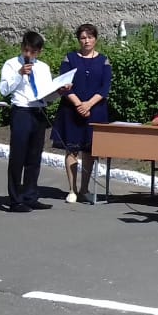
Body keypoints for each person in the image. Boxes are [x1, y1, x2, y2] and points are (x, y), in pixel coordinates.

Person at [50, 23, 112, 204]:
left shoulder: (104, 60)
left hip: (95, 110)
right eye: (83, 38)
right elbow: (63, 84)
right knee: (72, 149)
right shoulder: (69, 59)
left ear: (95, 39)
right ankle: (72, 189)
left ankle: (85, 188)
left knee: (90, 150)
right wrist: (78, 104)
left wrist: (89, 104)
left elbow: (105, 87)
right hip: (71, 110)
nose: (86, 41)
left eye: (90, 37)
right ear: (78, 40)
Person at [0, 31, 53, 213]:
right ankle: (15, 200)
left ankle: (30, 196)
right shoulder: (11, 64)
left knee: (34, 156)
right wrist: (19, 74)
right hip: (21, 111)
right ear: (22, 47)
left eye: (33, 52)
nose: (29, 55)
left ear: (39, 52)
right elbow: (4, 90)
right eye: (26, 50)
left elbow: (47, 91)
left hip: (39, 111)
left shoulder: (43, 67)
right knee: (18, 156)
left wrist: (58, 91)